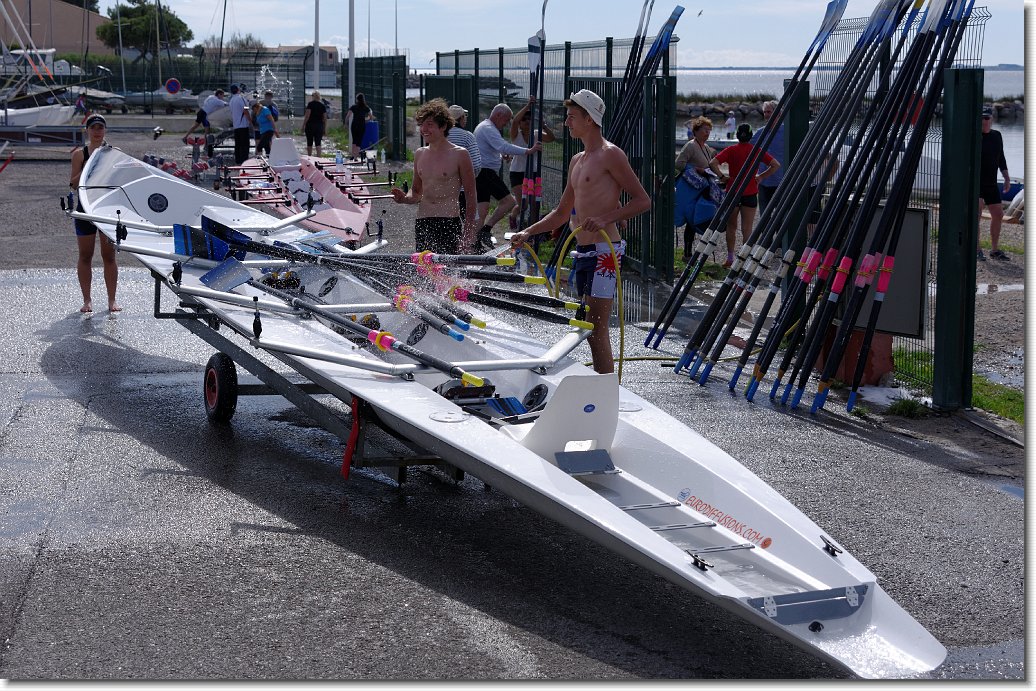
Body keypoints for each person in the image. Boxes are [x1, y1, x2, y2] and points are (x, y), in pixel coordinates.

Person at [510, 89, 650, 374]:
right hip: (583, 251)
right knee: (587, 324)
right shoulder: (578, 160)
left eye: (572, 117)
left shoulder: (611, 155)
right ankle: (600, 388)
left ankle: (606, 390)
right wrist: (528, 232)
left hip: (605, 252)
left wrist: (605, 218)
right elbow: (562, 213)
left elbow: (643, 200)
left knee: (596, 327)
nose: (566, 123)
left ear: (590, 119)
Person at [390, 98, 478, 255]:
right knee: (423, 271)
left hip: (448, 222)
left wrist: (468, 234)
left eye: (429, 124)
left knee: (447, 274)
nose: (424, 129)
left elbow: (471, 198)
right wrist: (404, 198)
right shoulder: (420, 153)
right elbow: (416, 192)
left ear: (443, 126)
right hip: (423, 221)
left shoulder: (460, 154)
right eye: (421, 124)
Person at [708, 123, 780, 267]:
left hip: (733, 191)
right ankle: (744, 259)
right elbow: (776, 164)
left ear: (737, 135)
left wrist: (722, 177)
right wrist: (761, 177)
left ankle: (730, 257)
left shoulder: (731, 150)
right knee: (747, 228)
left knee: (731, 227)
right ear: (751, 135)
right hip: (750, 191)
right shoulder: (756, 150)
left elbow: (712, 163)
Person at [473, 103, 542, 252]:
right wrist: (528, 151)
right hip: (486, 172)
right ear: (498, 115)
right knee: (509, 202)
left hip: (482, 172)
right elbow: (503, 145)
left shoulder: (485, 126)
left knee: (483, 209)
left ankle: (475, 241)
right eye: (505, 120)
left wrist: (500, 156)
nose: (505, 124)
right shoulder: (489, 128)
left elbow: (489, 148)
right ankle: (486, 229)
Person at [69, 113, 119, 314]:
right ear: (87, 131)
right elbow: (72, 184)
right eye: (93, 128)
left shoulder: (114, 152)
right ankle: (87, 300)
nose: (97, 131)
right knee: (85, 255)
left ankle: (112, 300)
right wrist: (90, 166)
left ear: (105, 130)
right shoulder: (79, 154)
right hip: (85, 210)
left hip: (105, 210)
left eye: (100, 127)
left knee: (109, 256)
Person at [507, 97, 556, 229]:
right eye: (525, 120)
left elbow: (551, 138)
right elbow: (515, 120)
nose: (527, 122)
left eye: (530, 119)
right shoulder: (515, 135)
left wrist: (544, 125)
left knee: (534, 204)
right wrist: (528, 105)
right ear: (521, 124)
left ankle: (532, 229)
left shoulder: (536, 134)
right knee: (524, 204)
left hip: (532, 171)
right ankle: (513, 216)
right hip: (517, 172)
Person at [674, 116, 719, 258]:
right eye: (705, 130)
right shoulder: (690, 146)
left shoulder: (706, 147)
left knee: (697, 218)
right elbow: (678, 164)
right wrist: (695, 169)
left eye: (709, 131)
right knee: (690, 219)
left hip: (701, 190)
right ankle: (687, 252)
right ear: (697, 130)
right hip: (690, 190)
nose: (708, 133)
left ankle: (694, 252)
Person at [977, 106, 1011, 261]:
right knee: (976, 215)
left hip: (991, 183)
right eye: (982, 118)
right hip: (975, 183)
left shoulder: (997, 135)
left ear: (992, 119)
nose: (984, 121)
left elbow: (1001, 157)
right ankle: (977, 250)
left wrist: (1006, 177)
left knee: (998, 214)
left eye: (987, 118)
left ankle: (994, 250)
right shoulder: (974, 136)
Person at [446, 104, 481, 218]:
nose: (465, 119)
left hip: (444, 189)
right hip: (464, 189)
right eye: (464, 116)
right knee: (469, 223)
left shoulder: (440, 136)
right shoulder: (467, 136)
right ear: (460, 119)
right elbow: (476, 165)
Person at [751, 100, 784, 214]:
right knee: (764, 216)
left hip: (782, 181)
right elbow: (748, 151)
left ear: (778, 113)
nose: (766, 115)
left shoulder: (786, 131)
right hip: (763, 181)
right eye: (765, 112)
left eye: (769, 112)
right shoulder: (760, 133)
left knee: (781, 217)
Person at [228, 84, 252, 165]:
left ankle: (238, 160)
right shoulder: (241, 98)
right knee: (245, 144)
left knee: (238, 144)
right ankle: (244, 161)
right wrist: (251, 121)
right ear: (238, 89)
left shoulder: (231, 100)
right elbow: (245, 110)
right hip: (243, 125)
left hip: (236, 125)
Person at [302, 90, 328, 157]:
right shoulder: (322, 106)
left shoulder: (310, 104)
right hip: (319, 126)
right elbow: (325, 118)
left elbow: (307, 115)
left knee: (309, 142)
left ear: (313, 96)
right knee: (318, 143)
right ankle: (319, 157)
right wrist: (324, 128)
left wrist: (303, 125)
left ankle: (309, 157)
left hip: (310, 125)